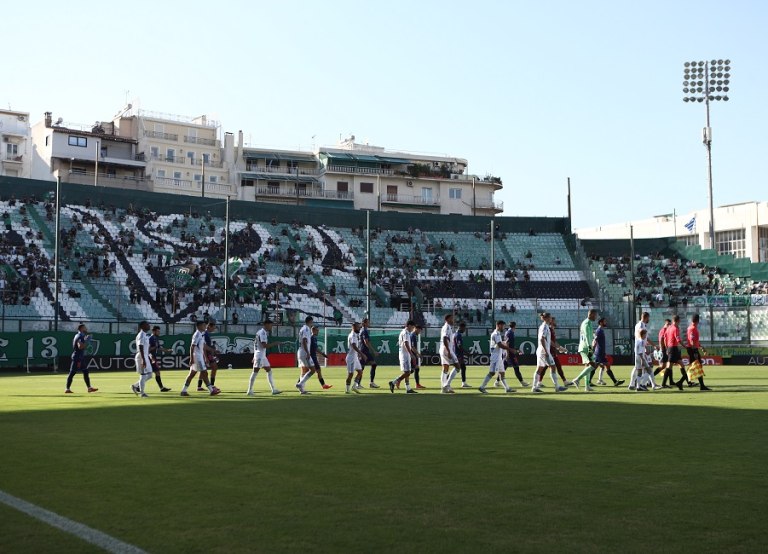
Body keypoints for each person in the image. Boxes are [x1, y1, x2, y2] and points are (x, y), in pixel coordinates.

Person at [180, 321, 221, 396]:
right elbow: (192, 346)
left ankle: (183, 390)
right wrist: (191, 358)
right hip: (197, 357)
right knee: (204, 373)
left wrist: (213, 350)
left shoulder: (201, 334)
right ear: (199, 326)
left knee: (192, 374)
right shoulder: (197, 334)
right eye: (203, 325)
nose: (205, 326)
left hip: (199, 356)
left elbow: (203, 346)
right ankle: (211, 390)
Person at [246, 319, 281, 396]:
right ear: (266, 325)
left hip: (261, 355)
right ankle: (249, 390)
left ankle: (273, 389)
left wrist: (254, 356)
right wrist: (275, 343)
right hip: (260, 356)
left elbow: (256, 345)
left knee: (269, 371)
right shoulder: (262, 333)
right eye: (271, 325)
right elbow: (264, 345)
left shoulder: (260, 332)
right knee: (255, 372)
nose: (271, 327)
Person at [479, 321, 515, 393]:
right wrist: (510, 349)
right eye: (503, 326)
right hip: (495, 357)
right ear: (498, 325)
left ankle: (507, 388)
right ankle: (482, 387)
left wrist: (504, 343)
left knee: (502, 373)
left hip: (499, 357)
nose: (503, 328)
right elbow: (500, 345)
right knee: (492, 372)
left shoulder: (496, 334)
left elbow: (499, 344)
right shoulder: (496, 334)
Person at [569, 309, 599, 391]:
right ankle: (577, 379)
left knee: (588, 366)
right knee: (593, 365)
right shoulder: (586, 323)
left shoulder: (587, 323)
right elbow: (586, 336)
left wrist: (593, 335)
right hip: (586, 348)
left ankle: (587, 386)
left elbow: (589, 335)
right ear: (591, 314)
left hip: (585, 347)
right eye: (595, 315)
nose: (596, 317)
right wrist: (590, 348)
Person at [65, 324, 98, 394]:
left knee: (85, 372)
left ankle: (89, 388)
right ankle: (67, 389)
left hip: (80, 357)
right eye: (85, 328)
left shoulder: (77, 335)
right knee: (72, 373)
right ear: (82, 328)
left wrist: (85, 340)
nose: (86, 329)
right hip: (77, 357)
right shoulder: (80, 336)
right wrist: (87, 340)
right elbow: (80, 346)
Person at [388, 320, 418, 394]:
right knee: (408, 372)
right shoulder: (405, 333)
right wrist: (411, 354)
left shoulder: (404, 332)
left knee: (407, 372)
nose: (413, 329)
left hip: (405, 354)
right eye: (412, 327)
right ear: (409, 326)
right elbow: (406, 343)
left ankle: (408, 388)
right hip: (405, 355)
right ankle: (393, 382)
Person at [594, 318, 625, 387]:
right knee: (597, 366)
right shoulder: (599, 331)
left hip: (601, 352)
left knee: (600, 366)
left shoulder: (601, 330)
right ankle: (614, 381)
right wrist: (592, 348)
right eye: (604, 321)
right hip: (599, 352)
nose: (606, 322)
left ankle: (614, 381)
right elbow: (595, 340)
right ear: (601, 322)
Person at [685, 313, 712, 391]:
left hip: (692, 349)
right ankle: (702, 386)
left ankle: (682, 382)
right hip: (693, 349)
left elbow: (695, 341)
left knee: (695, 367)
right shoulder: (693, 328)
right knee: (697, 366)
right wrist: (695, 351)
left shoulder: (690, 327)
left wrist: (700, 347)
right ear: (698, 320)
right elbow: (692, 340)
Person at [665, 314, 691, 390]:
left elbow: (665, 338)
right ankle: (664, 383)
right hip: (673, 348)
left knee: (682, 365)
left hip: (671, 348)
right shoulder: (675, 328)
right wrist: (685, 346)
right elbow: (678, 340)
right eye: (679, 321)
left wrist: (667, 348)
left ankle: (683, 382)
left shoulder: (669, 328)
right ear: (678, 321)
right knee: (669, 366)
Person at [498, 321, 527, 387]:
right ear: (515, 326)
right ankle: (522, 382)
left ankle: (497, 381)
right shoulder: (510, 333)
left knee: (504, 368)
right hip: (510, 353)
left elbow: (509, 343)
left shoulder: (508, 332)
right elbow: (507, 343)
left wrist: (516, 350)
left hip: (508, 352)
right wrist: (508, 354)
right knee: (516, 367)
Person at [439, 314, 461, 394]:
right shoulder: (447, 327)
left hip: (443, 348)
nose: (453, 320)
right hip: (446, 349)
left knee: (445, 368)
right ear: (447, 319)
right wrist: (448, 351)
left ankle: (443, 387)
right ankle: (446, 385)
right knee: (457, 367)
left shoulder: (446, 327)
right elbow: (445, 338)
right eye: (452, 319)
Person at [131, 321, 153, 397]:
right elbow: (140, 347)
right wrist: (143, 359)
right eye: (147, 324)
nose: (149, 326)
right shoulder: (141, 335)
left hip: (145, 356)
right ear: (142, 326)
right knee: (143, 375)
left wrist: (150, 356)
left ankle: (135, 386)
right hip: (141, 356)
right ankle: (142, 393)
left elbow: (146, 348)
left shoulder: (145, 335)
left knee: (150, 375)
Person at [294, 316, 316, 394]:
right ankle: (300, 384)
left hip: (301, 351)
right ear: (310, 321)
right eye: (312, 322)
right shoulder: (306, 329)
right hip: (304, 352)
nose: (312, 323)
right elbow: (304, 340)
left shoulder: (303, 328)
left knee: (304, 370)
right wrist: (307, 352)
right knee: (313, 370)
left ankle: (302, 390)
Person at [197, 321, 220, 391]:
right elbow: (203, 346)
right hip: (205, 354)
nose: (214, 329)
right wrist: (206, 357)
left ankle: (199, 386)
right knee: (214, 367)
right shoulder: (205, 334)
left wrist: (214, 350)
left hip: (207, 353)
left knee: (203, 370)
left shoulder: (206, 334)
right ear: (209, 326)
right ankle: (211, 385)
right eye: (213, 328)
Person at [148, 325, 171, 392]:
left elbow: (159, 347)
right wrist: (155, 347)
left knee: (154, 373)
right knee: (151, 374)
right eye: (157, 331)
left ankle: (161, 388)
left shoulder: (155, 338)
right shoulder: (151, 338)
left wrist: (167, 350)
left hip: (153, 357)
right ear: (153, 331)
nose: (159, 332)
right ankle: (137, 386)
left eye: (159, 331)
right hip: (150, 357)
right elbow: (148, 349)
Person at [309, 325, 332, 390]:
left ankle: (323, 385)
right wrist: (323, 354)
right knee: (311, 371)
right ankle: (299, 383)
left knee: (318, 370)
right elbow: (316, 348)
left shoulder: (314, 338)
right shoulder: (312, 338)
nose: (318, 331)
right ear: (313, 330)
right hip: (311, 356)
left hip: (313, 356)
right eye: (317, 330)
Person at [345, 322, 364, 394]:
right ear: (354, 327)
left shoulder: (355, 335)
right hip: (351, 358)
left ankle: (354, 386)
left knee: (360, 372)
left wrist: (358, 355)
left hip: (355, 357)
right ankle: (347, 390)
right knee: (350, 374)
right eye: (358, 327)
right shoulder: (353, 335)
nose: (359, 328)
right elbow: (354, 345)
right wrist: (361, 354)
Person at [360, 318, 379, 388]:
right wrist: (373, 351)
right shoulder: (364, 331)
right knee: (361, 368)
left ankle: (371, 383)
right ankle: (357, 383)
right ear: (364, 323)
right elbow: (366, 342)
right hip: (364, 351)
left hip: (364, 351)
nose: (369, 323)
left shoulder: (363, 330)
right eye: (368, 322)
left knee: (373, 364)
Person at [653, 319, 673, 388]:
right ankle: (651, 377)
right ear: (665, 324)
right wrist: (663, 350)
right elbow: (661, 340)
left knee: (669, 364)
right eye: (668, 324)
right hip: (664, 350)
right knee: (664, 366)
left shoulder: (666, 330)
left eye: (670, 324)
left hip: (665, 349)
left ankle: (671, 381)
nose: (669, 325)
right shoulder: (663, 330)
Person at [455, 321, 471, 388]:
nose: (464, 330)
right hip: (458, 354)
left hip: (458, 353)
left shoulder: (456, 334)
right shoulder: (458, 335)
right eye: (464, 328)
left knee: (462, 367)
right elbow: (459, 346)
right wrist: (466, 352)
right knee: (457, 368)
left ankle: (463, 383)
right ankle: (447, 380)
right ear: (461, 327)